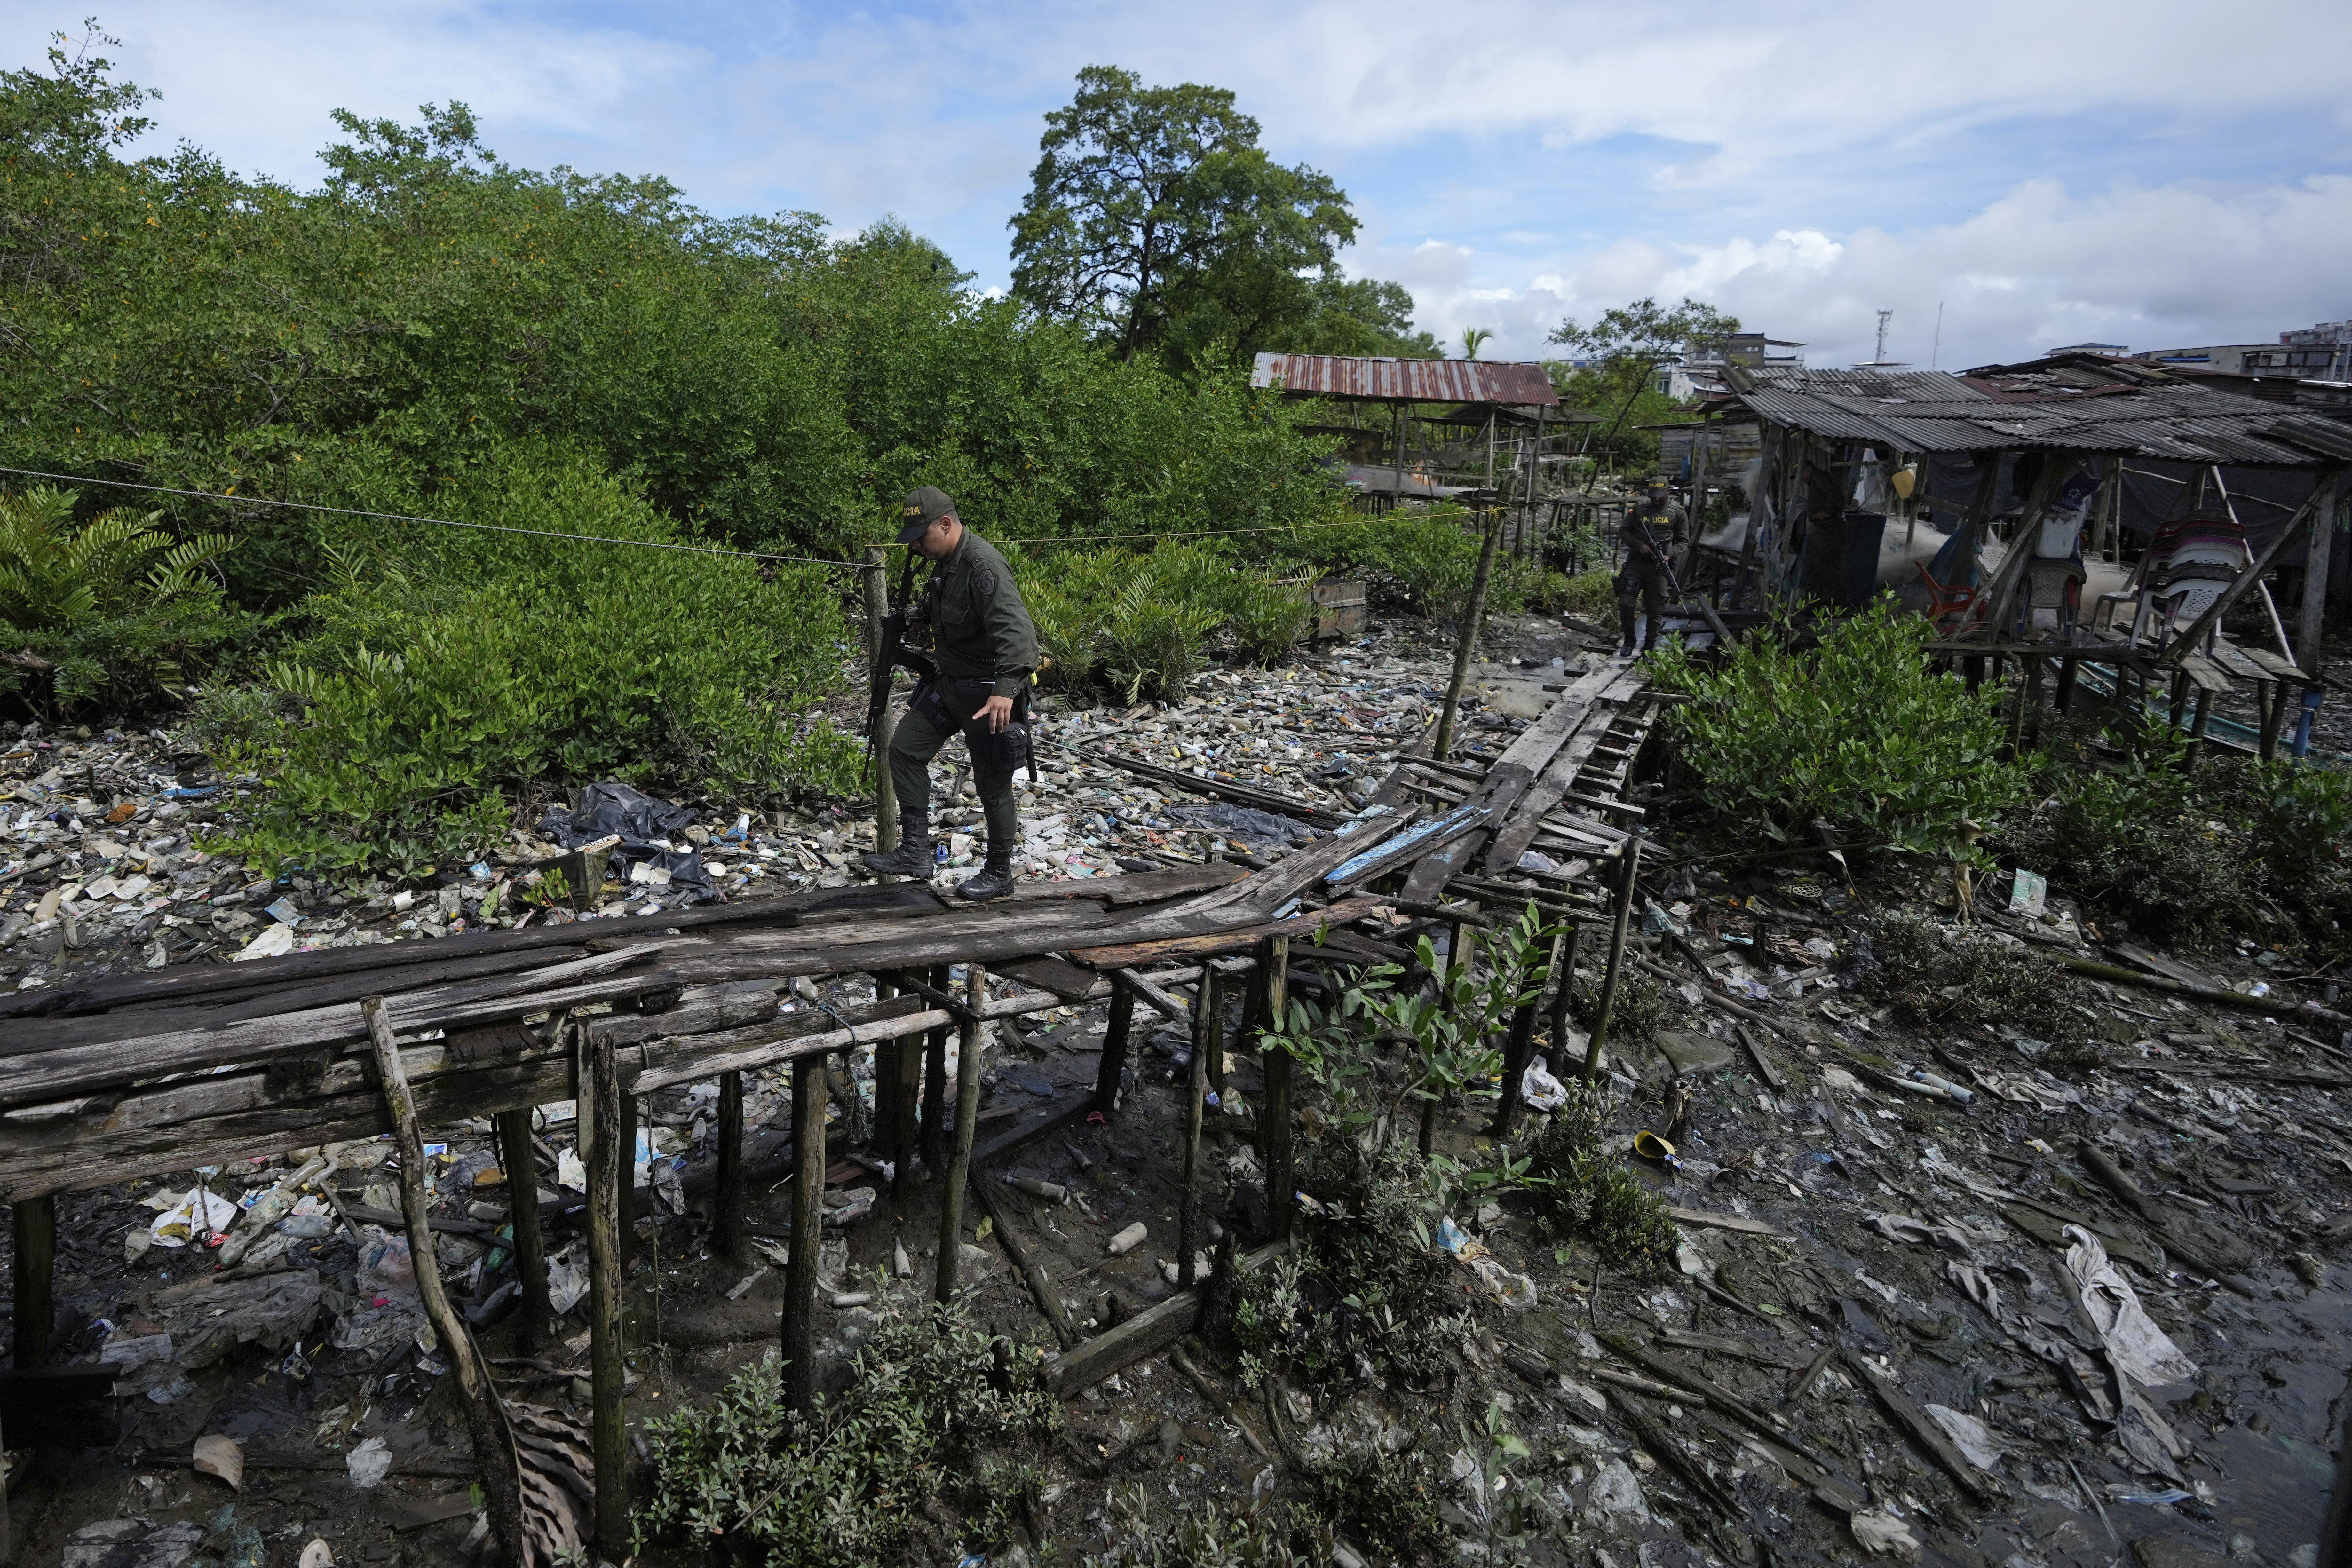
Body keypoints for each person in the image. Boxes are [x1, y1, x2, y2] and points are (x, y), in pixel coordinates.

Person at [859, 487, 1039, 901]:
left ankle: (998, 873)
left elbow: (1020, 637)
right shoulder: (942, 565)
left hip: (988, 693)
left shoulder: (982, 565)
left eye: (923, 535)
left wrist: (1005, 691)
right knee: (904, 750)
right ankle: (916, 852)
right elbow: (943, 619)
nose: (918, 545)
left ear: (946, 523)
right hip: (949, 685)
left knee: (991, 785)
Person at [1615, 474, 1687, 656]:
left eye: (1660, 495)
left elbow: (1684, 541)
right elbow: (1624, 531)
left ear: (1668, 492)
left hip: (1660, 568)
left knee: (1655, 609)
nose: (1656, 499)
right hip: (1637, 564)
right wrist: (1640, 546)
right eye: (1653, 495)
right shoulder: (1639, 509)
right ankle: (1629, 641)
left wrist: (1669, 555)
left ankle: (1649, 647)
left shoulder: (1678, 512)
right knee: (1626, 602)